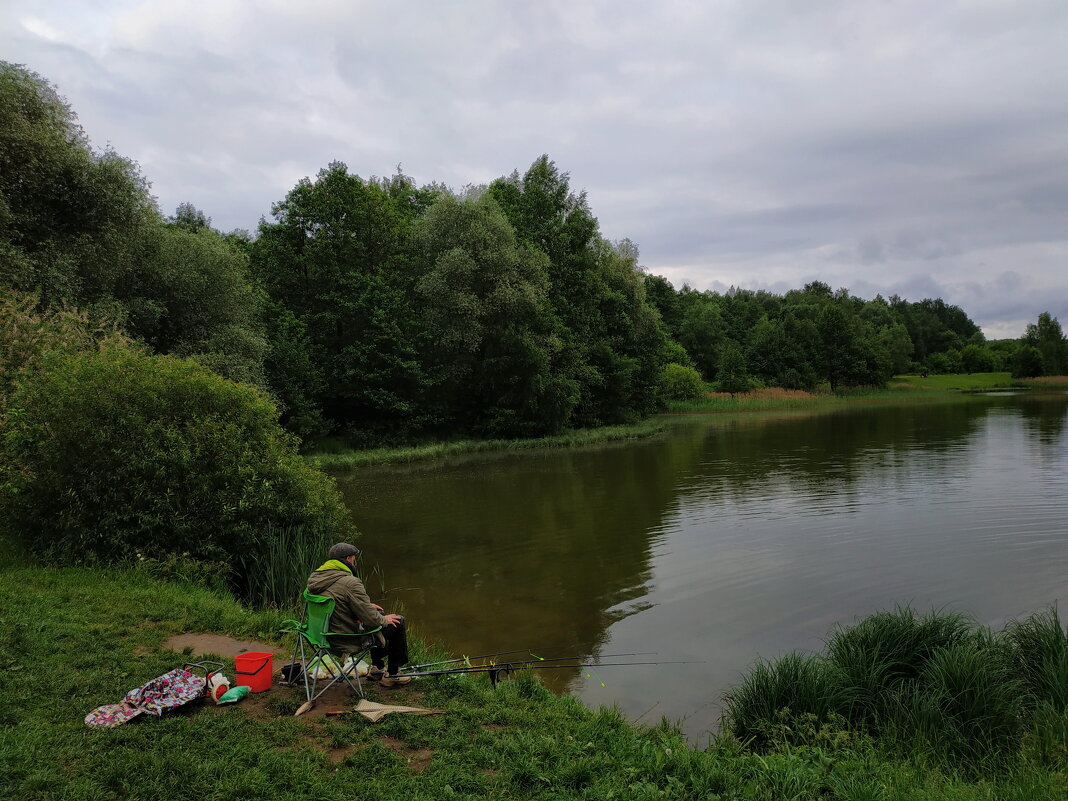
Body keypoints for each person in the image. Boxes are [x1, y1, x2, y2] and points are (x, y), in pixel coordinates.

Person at [306, 542, 411, 687]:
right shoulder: (350, 582)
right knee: (397, 621)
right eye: (354, 559)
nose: (354, 562)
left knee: (378, 612)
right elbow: (372, 619)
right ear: (348, 559)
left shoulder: (316, 579)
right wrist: (383, 619)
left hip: (321, 635)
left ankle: (377, 669)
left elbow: (335, 602)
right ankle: (393, 675)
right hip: (344, 639)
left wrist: (367, 607)